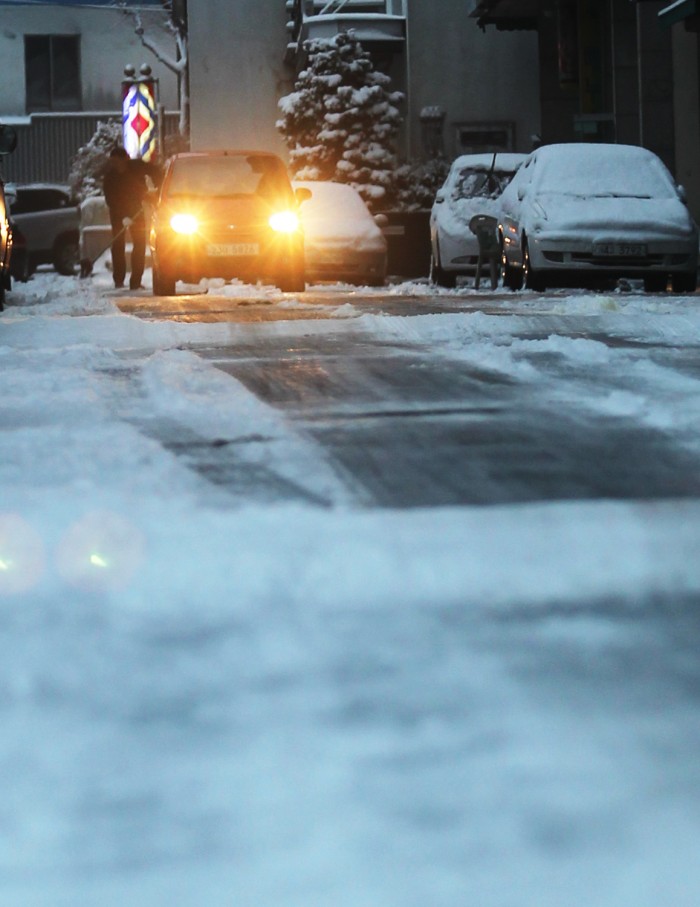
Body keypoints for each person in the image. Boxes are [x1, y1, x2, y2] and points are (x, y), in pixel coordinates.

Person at [102, 146, 161, 290]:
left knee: (140, 244)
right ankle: (118, 279)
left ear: (126, 159)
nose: (116, 165)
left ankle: (135, 281)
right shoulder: (110, 177)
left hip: (137, 210)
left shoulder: (137, 167)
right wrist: (123, 216)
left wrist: (155, 191)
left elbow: (157, 172)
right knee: (118, 244)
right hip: (117, 213)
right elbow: (110, 199)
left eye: (118, 162)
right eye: (113, 162)